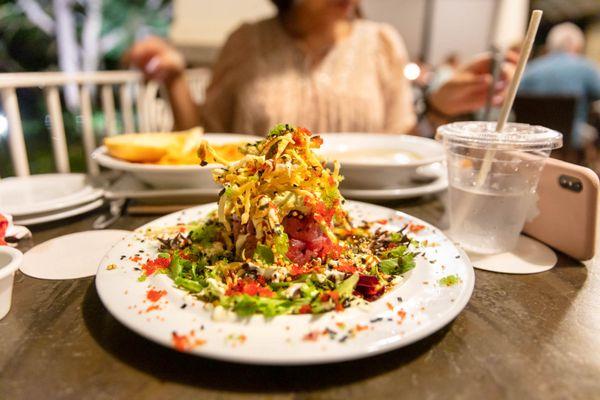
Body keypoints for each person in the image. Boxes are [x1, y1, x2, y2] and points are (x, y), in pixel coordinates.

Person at [128, 0, 515, 135]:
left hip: (363, 227)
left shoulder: (381, 41)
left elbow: (400, 146)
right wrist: (176, 79)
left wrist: (437, 107)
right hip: (258, 225)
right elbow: (203, 143)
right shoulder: (245, 41)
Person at [520, 22, 600, 150]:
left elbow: (517, 99)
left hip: (534, 138)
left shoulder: (531, 69)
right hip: (572, 137)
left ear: (550, 45)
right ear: (578, 46)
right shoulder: (586, 68)